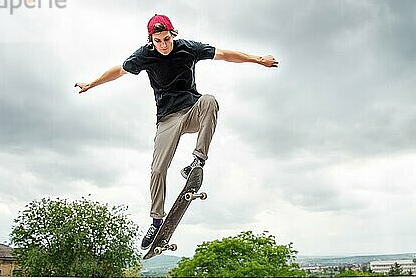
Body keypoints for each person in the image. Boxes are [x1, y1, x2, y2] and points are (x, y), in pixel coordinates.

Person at [75, 14, 278, 250]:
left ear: (173, 34)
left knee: (210, 100)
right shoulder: (144, 55)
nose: (163, 45)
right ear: (151, 40)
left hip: (192, 110)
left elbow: (224, 55)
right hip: (167, 119)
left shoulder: (188, 48)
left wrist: (258, 60)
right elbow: (118, 71)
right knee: (158, 169)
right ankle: (156, 220)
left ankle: (197, 161)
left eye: (167, 39)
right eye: (158, 40)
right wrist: (91, 84)